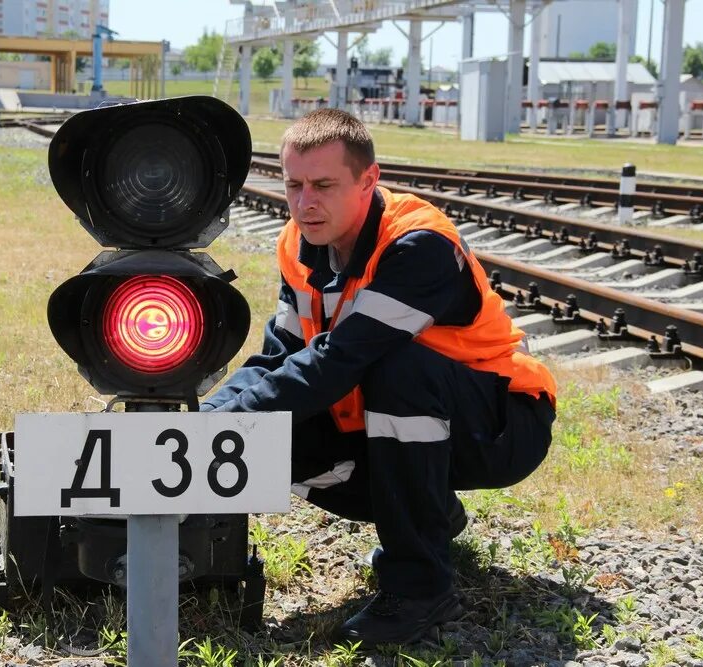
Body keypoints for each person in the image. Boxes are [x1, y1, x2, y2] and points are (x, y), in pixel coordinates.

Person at [201, 109, 557, 648]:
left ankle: (419, 587)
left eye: (323, 185)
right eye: (294, 184)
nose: (304, 202)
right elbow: (280, 357)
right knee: (275, 428)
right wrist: (199, 422)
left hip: (503, 422)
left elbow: (337, 363)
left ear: (369, 180)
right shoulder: (298, 245)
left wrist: (221, 423)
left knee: (394, 367)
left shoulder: (419, 245)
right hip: (425, 416)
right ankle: (430, 511)